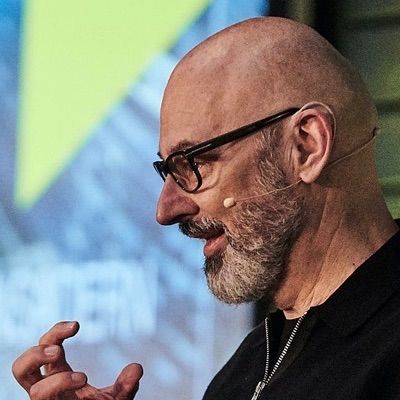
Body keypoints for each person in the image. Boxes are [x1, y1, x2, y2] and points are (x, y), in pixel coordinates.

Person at [12, 16, 400, 400]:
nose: (166, 209)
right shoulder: (243, 371)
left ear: (306, 146)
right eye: (168, 170)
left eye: (195, 163)